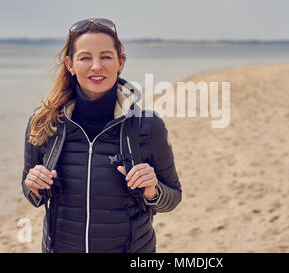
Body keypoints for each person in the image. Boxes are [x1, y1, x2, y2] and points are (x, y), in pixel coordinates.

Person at [21, 18, 182, 253]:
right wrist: (33, 185)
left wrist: (152, 189)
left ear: (120, 63)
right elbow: (32, 194)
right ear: (70, 65)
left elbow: (174, 197)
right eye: (85, 57)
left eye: (106, 56)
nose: (96, 66)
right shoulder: (45, 123)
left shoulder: (148, 126)